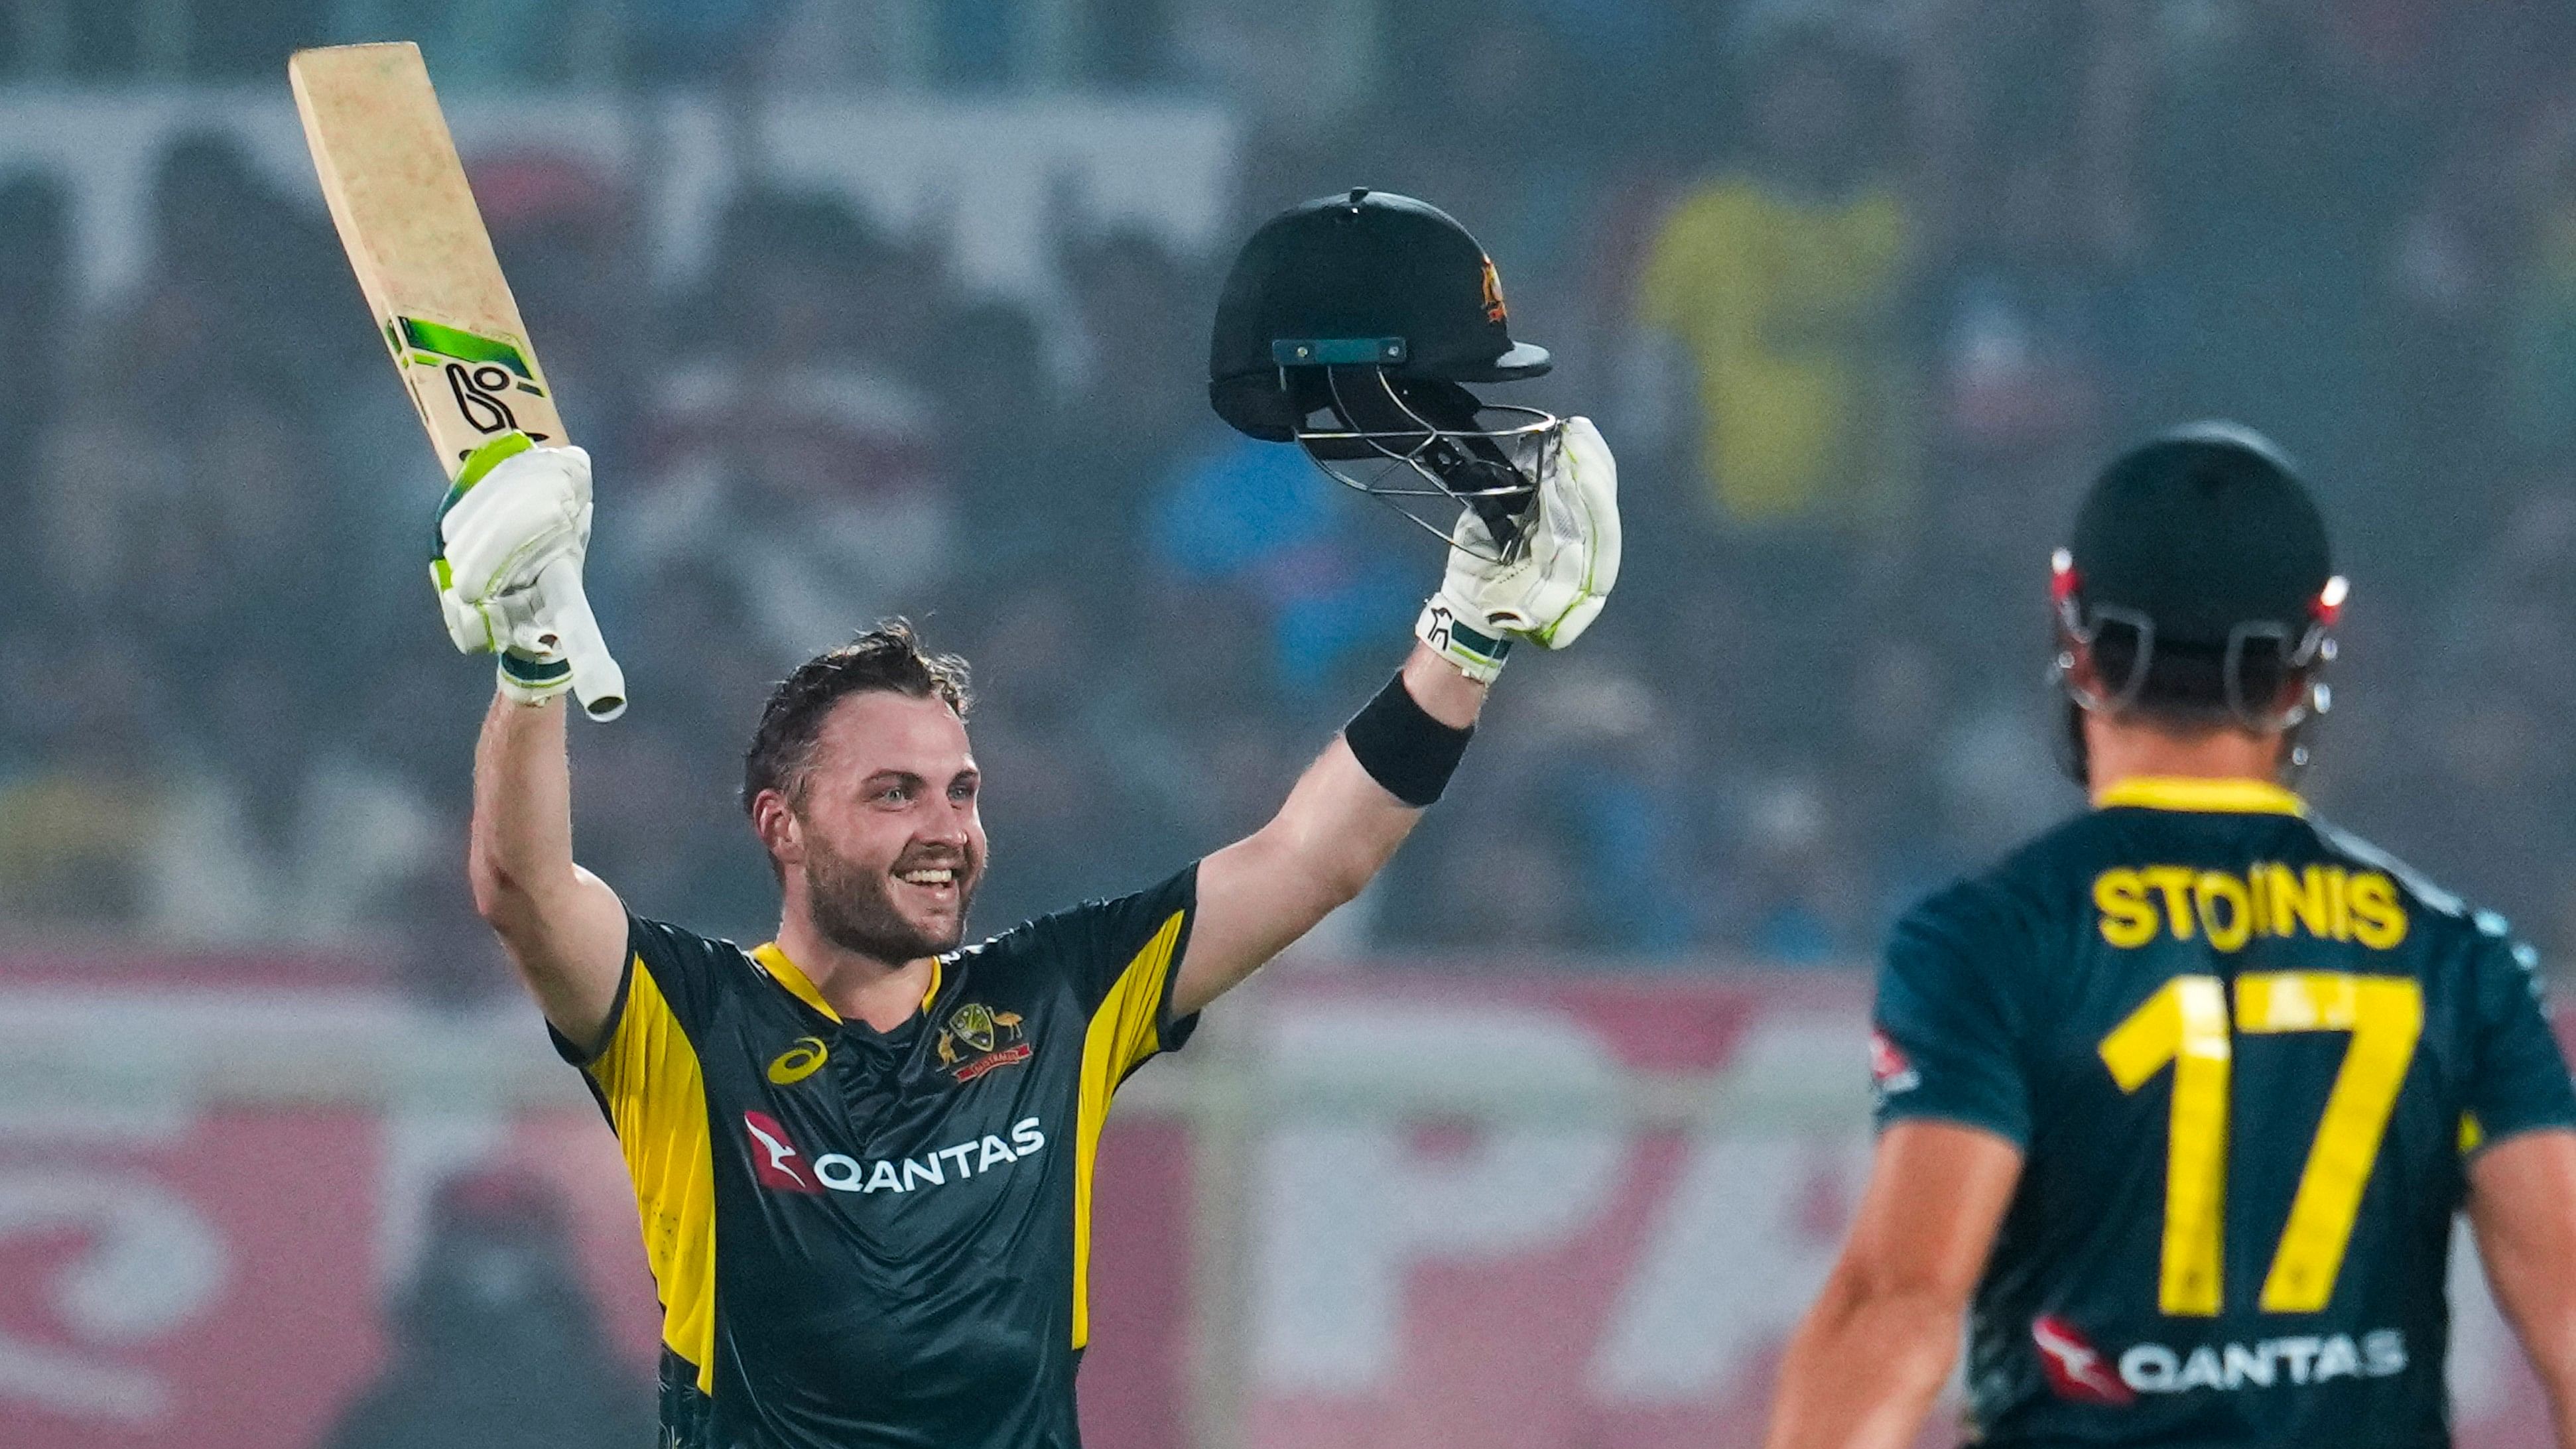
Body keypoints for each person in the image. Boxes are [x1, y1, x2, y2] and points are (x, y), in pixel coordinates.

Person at [435, 190, 1618, 1447]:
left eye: (960, 788)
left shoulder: (1053, 999)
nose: (945, 824)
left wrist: (1469, 636)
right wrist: (531, 666)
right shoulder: (691, 1017)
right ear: (781, 825)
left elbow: (1315, 855)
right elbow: (523, 885)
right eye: (893, 792)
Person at [1764, 424, 2576, 1448]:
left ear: (2075, 633)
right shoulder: (2460, 960)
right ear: (2314, 650)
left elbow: (1900, 1304)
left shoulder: (1995, 939)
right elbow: (2569, 1314)